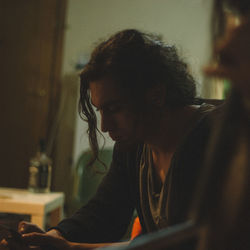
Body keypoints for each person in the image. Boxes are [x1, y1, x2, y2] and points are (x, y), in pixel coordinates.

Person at [0, 29, 219, 250]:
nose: (105, 126)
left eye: (114, 108)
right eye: (100, 110)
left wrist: (71, 248)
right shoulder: (133, 146)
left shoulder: (215, 139)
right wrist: (55, 236)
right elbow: (105, 212)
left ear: (157, 96)